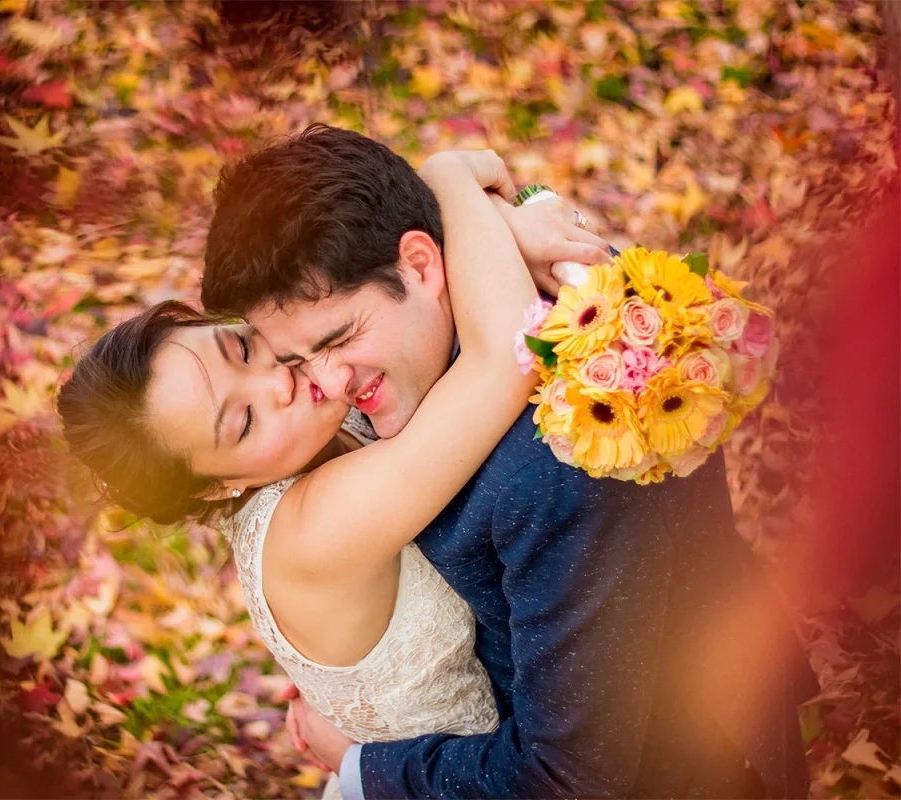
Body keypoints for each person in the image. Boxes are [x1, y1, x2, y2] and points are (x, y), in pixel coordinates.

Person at [200, 124, 818, 799]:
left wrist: (361, 766)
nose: (325, 385)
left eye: (339, 338)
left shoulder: (562, 457)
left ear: (420, 264)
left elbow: (564, 779)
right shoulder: (468, 306)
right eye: (293, 358)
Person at [58, 150, 567, 799]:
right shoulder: (314, 528)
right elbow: (506, 355)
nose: (279, 379)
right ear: (217, 486)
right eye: (240, 422)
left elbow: (363, 261)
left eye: (241, 347)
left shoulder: (314, 423)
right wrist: (445, 175)